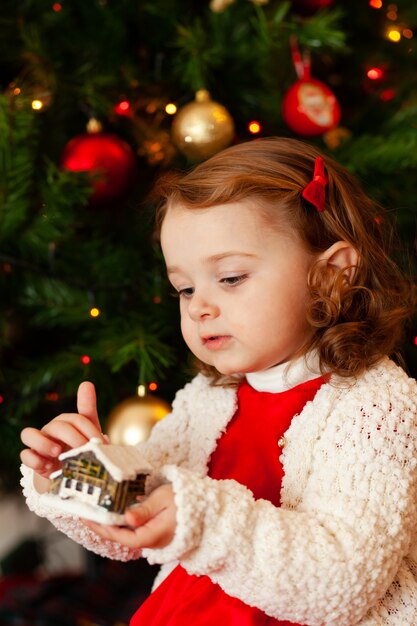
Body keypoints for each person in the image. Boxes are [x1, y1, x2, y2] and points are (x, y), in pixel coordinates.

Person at [20, 137, 417, 626]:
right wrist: (78, 472)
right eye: (185, 288)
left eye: (230, 278)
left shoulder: (377, 406)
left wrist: (201, 518)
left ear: (331, 274)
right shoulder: (209, 399)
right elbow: (141, 512)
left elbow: (347, 577)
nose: (199, 306)